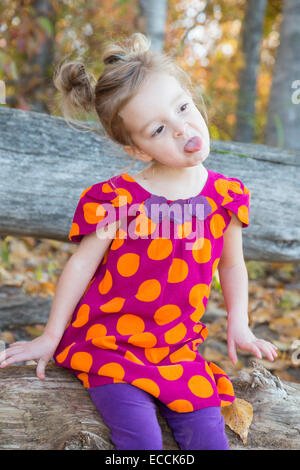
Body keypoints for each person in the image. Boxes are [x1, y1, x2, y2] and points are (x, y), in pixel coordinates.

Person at [0, 33, 278, 450]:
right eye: (159, 129)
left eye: (183, 107)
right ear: (138, 149)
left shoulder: (225, 195)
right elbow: (81, 265)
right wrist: (49, 336)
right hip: (110, 346)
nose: (183, 127)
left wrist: (240, 322)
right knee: (140, 442)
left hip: (178, 350)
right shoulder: (119, 198)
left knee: (209, 440)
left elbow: (231, 265)